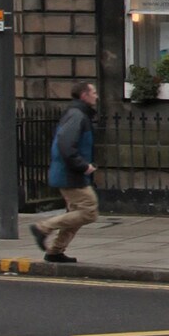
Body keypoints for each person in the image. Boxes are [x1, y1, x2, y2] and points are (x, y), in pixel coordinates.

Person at [32, 79, 99, 261]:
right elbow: (66, 144)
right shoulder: (77, 115)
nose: (96, 96)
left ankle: (55, 252)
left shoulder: (78, 114)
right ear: (84, 95)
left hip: (71, 172)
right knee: (89, 211)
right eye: (93, 93)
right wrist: (83, 165)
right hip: (70, 174)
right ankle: (43, 227)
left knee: (75, 216)